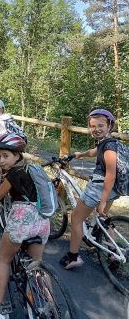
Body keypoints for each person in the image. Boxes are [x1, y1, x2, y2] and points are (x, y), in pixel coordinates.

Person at [0, 133, 50, 319]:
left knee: (3, 261)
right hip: (42, 222)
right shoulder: (32, 168)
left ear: (17, 156)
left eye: (6, 156)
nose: (1, 160)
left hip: (22, 222)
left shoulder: (14, 174)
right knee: (37, 267)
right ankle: (47, 304)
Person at [59, 109, 120, 270]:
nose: (96, 129)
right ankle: (113, 252)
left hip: (101, 187)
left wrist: (101, 201)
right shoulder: (107, 142)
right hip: (113, 190)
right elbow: (96, 151)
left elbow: (111, 175)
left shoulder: (109, 147)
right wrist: (80, 154)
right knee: (102, 219)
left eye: (101, 125)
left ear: (110, 126)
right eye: (93, 126)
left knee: (77, 219)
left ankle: (73, 257)